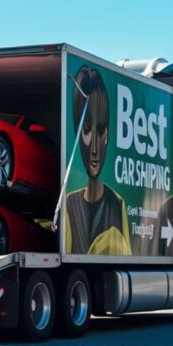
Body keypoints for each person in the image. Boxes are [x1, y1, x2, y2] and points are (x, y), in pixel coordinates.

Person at [64, 65, 130, 255]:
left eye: (100, 130)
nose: (94, 148)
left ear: (107, 135)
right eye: (86, 131)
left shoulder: (117, 204)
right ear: (77, 134)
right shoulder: (70, 204)